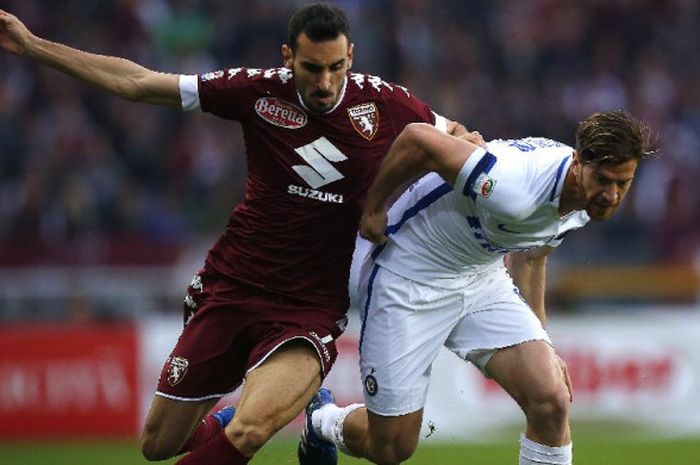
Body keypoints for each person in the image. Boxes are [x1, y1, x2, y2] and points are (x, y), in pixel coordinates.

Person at [0, 4, 465, 465]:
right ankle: (231, 420)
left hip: (308, 309)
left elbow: (461, 137)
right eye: (311, 68)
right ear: (288, 57)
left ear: (351, 57)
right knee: (158, 444)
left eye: (335, 68)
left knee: (252, 429)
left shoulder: (385, 103)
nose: (324, 83)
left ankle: (289, 417)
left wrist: (497, 190)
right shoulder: (255, 91)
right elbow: (139, 83)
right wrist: (33, 46)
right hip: (232, 288)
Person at [305, 110, 655, 465]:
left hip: (480, 275)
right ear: (578, 163)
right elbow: (416, 138)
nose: (611, 195)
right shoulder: (514, 187)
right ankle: (323, 420)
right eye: (604, 180)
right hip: (408, 275)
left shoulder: (581, 200)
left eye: (623, 183)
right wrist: (374, 207)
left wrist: (542, 342)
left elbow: (532, 258)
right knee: (392, 447)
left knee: (551, 399)